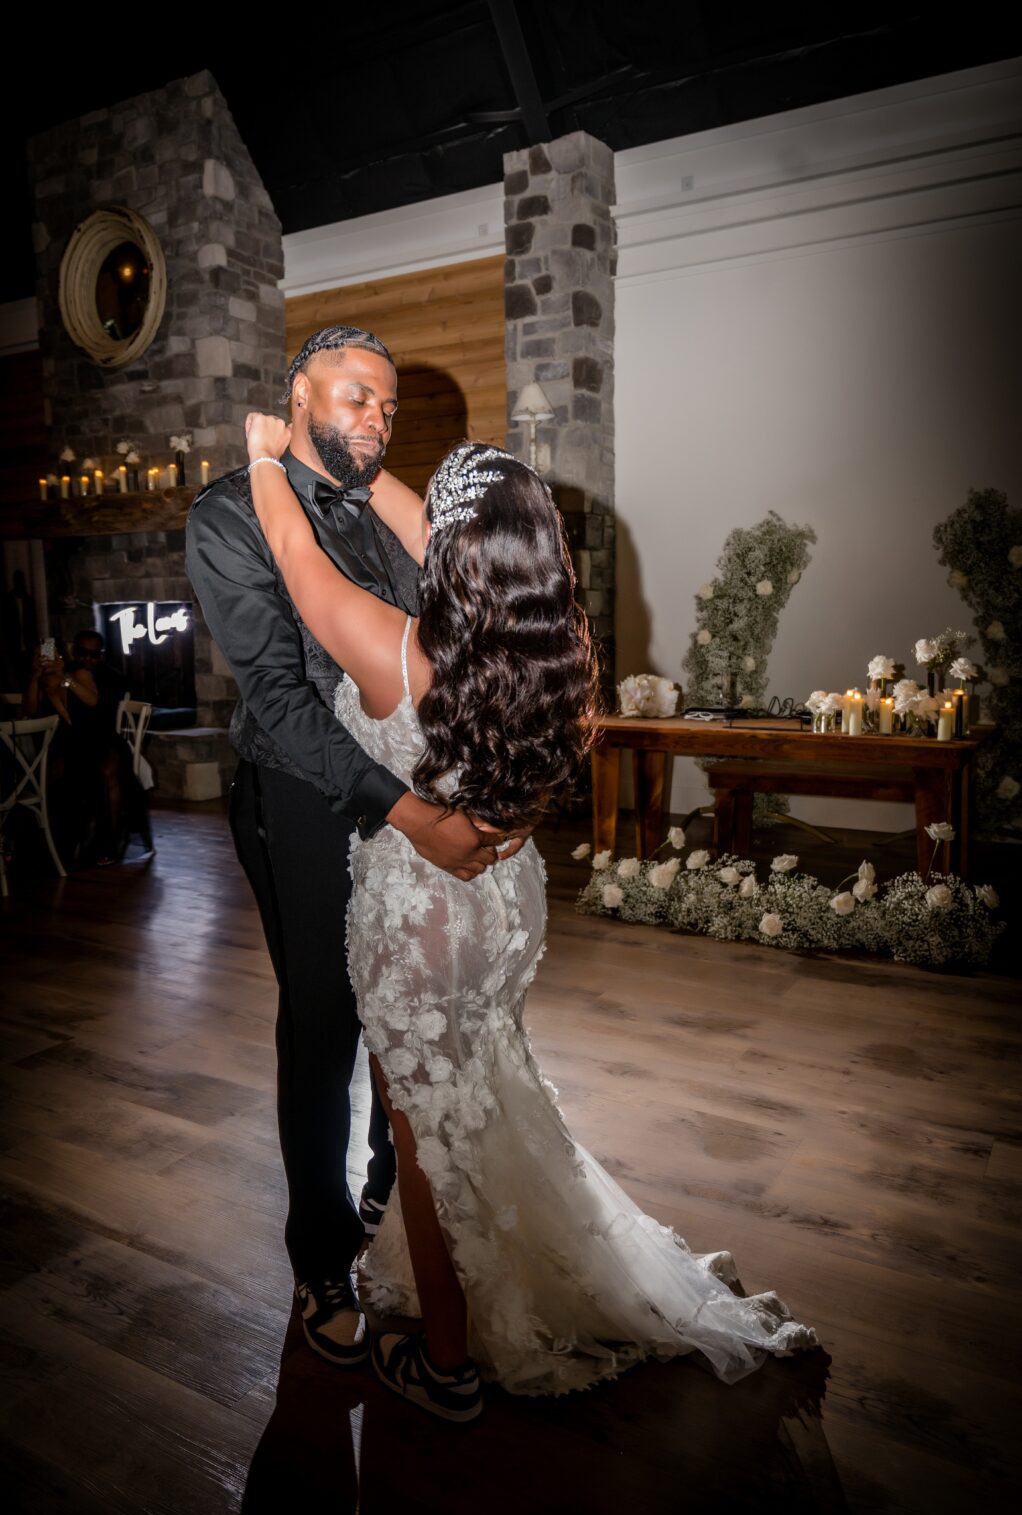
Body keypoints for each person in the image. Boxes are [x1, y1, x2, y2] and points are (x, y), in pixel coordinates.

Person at [241, 412, 818, 1424]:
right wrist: (353, 461)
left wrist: (261, 453)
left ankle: (449, 1364)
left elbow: (292, 554)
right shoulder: (544, 646)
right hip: (502, 899)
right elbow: (445, 532)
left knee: (423, 1129)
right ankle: (479, 1273)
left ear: (456, 555)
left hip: (420, 915)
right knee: (478, 1084)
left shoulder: (402, 651)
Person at [186, 328, 524, 1372]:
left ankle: (391, 1176)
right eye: (353, 396)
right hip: (297, 797)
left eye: (387, 406)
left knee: (403, 1013)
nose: (375, 417)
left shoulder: (384, 515)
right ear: (296, 398)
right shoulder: (229, 514)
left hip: (410, 791)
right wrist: (407, 812)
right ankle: (320, 1257)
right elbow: (281, 704)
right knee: (325, 1023)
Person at [23, 629, 148, 865]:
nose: (87, 659)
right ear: (70, 652)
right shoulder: (52, 675)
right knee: (52, 773)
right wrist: (36, 674)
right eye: (82, 653)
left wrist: (65, 678)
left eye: (93, 654)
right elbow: (29, 711)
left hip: (99, 738)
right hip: (66, 742)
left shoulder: (88, 675)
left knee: (109, 771)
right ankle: (57, 844)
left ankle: (108, 842)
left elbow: (93, 701)